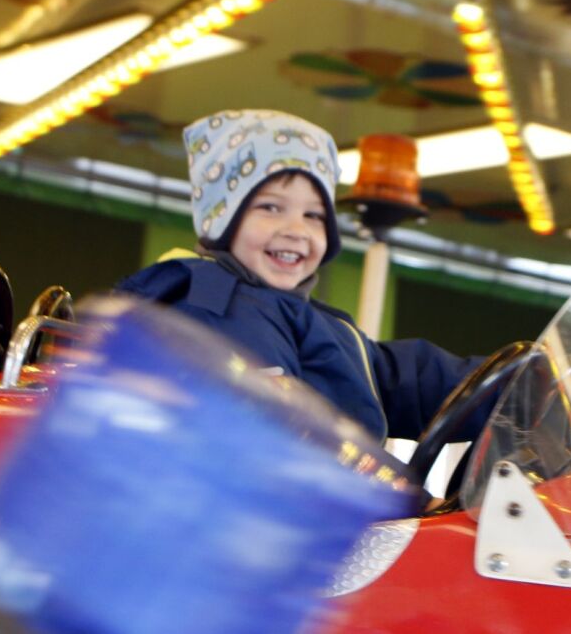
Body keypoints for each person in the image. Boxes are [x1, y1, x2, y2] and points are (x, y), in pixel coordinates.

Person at [116, 109, 484, 443]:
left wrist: (513, 386)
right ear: (222, 217)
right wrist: (401, 494)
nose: (297, 230)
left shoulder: (307, 319)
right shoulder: (217, 307)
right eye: (271, 207)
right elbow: (283, 431)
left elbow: (399, 378)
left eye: (314, 215)